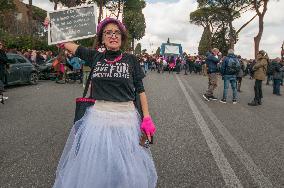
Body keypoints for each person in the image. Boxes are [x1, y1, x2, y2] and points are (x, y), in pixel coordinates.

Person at [52, 17, 157, 188]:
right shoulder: (95, 57)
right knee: (98, 167)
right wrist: (53, 26)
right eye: (108, 32)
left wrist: (146, 117)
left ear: (122, 38)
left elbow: (140, 90)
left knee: (125, 169)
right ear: (102, 38)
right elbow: (66, 43)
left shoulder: (131, 60)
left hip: (126, 122)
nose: (113, 35)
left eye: (117, 33)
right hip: (97, 121)